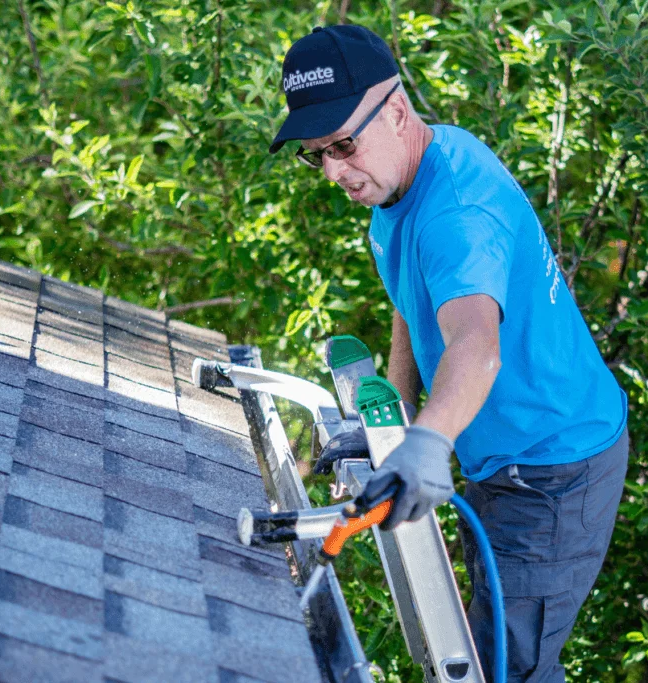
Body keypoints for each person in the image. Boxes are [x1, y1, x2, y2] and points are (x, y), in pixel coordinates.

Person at [269, 24, 629, 683]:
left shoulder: (456, 213)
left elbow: (476, 345)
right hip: (498, 456)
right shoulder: (400, 187)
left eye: (343, 145)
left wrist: (428, 442)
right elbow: (416, 304)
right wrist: (399, 416)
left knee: (502, 670)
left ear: (397, 111)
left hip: (554, 471)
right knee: (486, 650)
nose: (332, 172)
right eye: (315, 155)